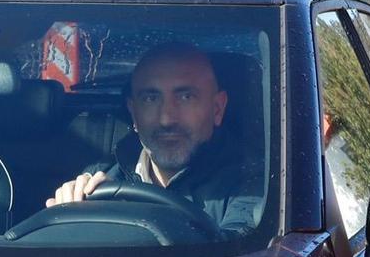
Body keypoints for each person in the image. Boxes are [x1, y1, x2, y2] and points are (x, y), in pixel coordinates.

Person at [46, 41, 263, 236]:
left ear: (217, 108)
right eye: (151, 98)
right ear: (133, 112)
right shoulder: (99, 180)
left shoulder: (255, 182)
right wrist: (67, 219)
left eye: (186, 97)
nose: (166, 119)